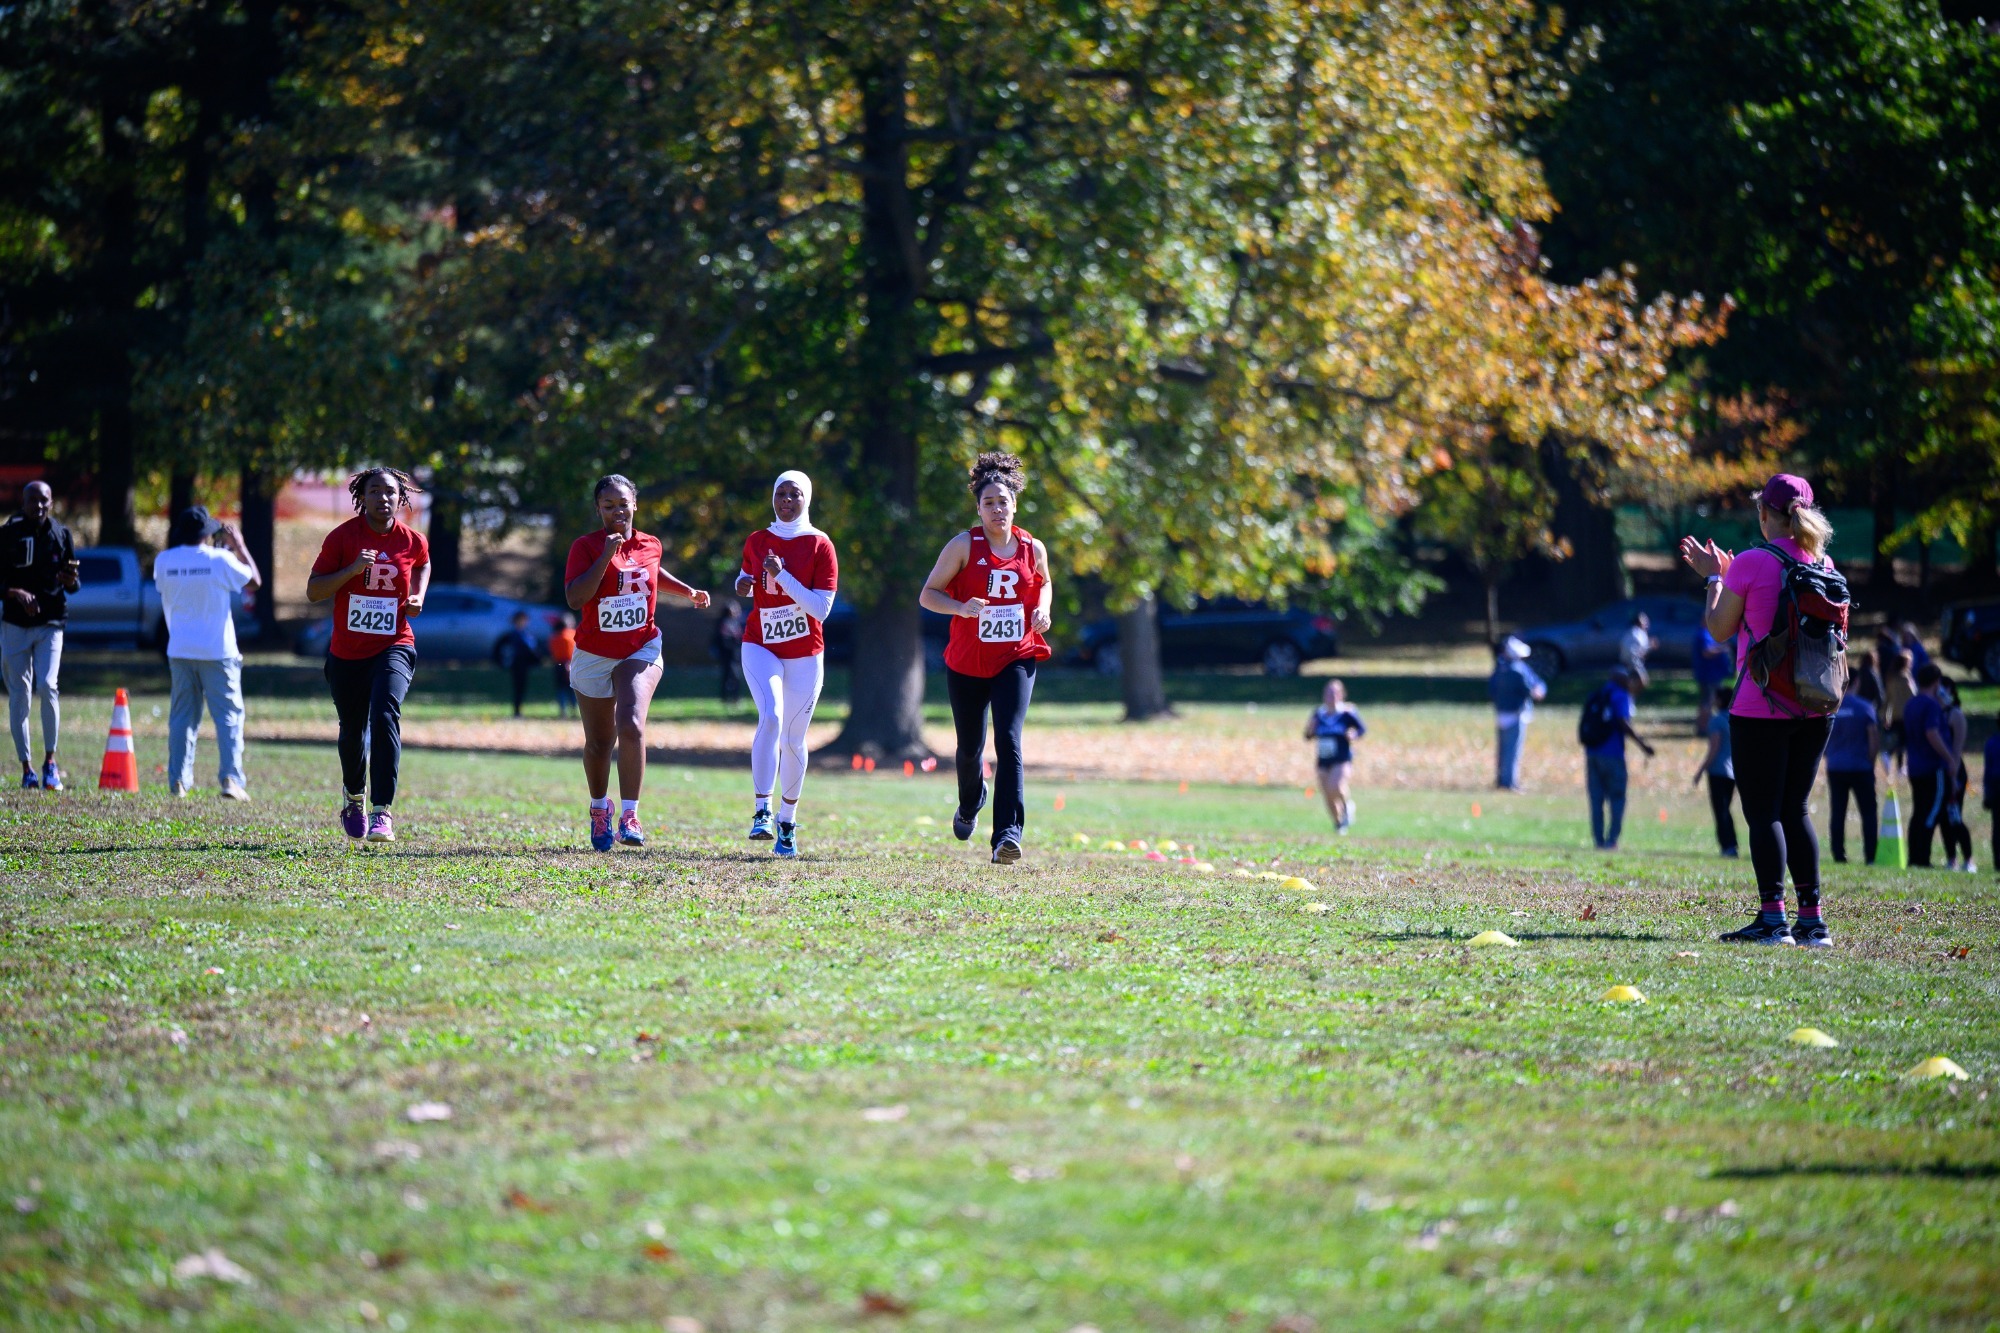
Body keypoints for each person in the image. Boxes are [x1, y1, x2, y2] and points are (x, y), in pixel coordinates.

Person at [1679, 473, 1839, 946]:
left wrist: (1715, 578)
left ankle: (1773, 919)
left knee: (1763, 811)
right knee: (1797, 807)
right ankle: (1812, 922)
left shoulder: (1752, 562)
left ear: (1766, 514)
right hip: (1816, 705)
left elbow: (1718, 629)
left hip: (1760, 705)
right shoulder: (1825, 563)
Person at [920, 451, 1052, 865]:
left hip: (1016, 654)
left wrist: (1043, 609)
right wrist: (960, 609)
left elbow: (1045, 582)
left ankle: (1007, 836)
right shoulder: (963, 545)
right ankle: (970, 799)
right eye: (989, 503)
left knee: (1009, 739)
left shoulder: (1032, 547)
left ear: (1015, 504)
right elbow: (928, 594)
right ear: (979, 509)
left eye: (1003, 501)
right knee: (969, 748)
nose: (997, 509)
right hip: (967, 660)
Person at [565, 474, 710, 851]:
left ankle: (630, 814)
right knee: (598, 743)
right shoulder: (585, 547)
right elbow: (576, 598)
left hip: (640, 647)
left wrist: (688, 591)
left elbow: (652, 571)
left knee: (630, 721)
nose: (616, 511)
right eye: (608, 505)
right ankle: (600, 808)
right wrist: (605, 557)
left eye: (623, 504)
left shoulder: (651, 543)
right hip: (594, 654)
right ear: (598, 509)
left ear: (635, 505)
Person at [307, 468, 431, 843]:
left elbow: (423, 562)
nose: (383, 498)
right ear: (362, 496)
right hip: (347, 652)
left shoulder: (412, 540)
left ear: (400, 498)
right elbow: (314, 591)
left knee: (385, 714)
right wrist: (352, 569)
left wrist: (418, 594)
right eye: (374, 491)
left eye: (390, 492)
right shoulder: (343, 538)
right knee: (352, 730)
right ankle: (354, 798)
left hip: (394, 643)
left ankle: (382, 812)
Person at [733, 470, 837, 858]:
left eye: (794, 495)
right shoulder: (758, 539)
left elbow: (821, 609)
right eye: (780, 494)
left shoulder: (820, 545)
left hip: (805, 652)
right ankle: (762, 810)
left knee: (793, 738)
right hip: (760, 644)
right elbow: (746, 577)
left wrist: (783, 576)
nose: (786, 501)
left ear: (806, 499)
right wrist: (742, 585)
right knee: (771, 717)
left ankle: (787, 823)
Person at [154, 505, 260, 799]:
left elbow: (168, 588)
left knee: (182, 718)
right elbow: (254, 581)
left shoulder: (164, 560)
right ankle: (230, 779)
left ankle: (178, 780)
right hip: (218, 651)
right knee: (228, 717)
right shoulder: (220, 559)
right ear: (206, 533)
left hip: (180, 649)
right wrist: (238, 547)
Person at [1, 480, 78, 791]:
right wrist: (14, 593)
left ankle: (50, 763)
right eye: (33, 500)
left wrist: (70, 579)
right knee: (20, 696)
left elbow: (73, 586)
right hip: (15, 625)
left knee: (47, 685)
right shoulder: (7, 534)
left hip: (50, 623)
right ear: (24, 503)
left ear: (52, 502)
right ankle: (27, 768)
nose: (40, 506)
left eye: (44, 500)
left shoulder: (61, 534)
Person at [1580, 665, 1653, 850]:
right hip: (1612, 754)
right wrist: (1643, 745)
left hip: (1592, 753)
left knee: (1596, 799)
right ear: (1622, 679)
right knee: (1617, 797)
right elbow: (1623, 723)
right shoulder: (1621, 696)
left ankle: (1598, 840)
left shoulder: (1598, 694)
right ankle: (1612, 840)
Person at [1823, 673, 1880, 865]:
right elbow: (1873, 738)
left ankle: (1839, 855)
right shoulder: (1865, 707)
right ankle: (1870, 856)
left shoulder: (1830, 707)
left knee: (1838, 812)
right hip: (1861, 767)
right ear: (1857, 682)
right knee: (1868, 812)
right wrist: (1870, 762)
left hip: (1836, 767)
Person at [1902, 663, 1953, 868]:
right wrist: (1949, 758)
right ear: (1936, 682)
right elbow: (1932, 733)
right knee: (1932, 811)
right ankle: (1923, 858)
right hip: (1932, 767)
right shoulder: (1931, 705)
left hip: (1915, 765)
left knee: (1919, 811)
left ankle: (1914, 857)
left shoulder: (1911, 704)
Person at [1305, 678, 1366, 833]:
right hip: (1323, 759)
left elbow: (1361, 730)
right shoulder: (1319, 714)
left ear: (1341, 695)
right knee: (1327, 794)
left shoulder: (1347, 712)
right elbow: (1308, 735)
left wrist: (1353, 734)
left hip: (1342, 757)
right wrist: (1310, 730)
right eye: (1328, 693)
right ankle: (1339, 823)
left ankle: (1347, 806)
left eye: (1334, 693)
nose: (1331, 696)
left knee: (1336, 786)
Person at [1489, 636, 1546, 792]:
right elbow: (1532, 690)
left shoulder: (1499, 669)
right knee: (1513, 751)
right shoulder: (1518, 670)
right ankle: (1509, 783)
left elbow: (1492, 690)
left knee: (1502, 750)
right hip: (1516, 714)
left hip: (1501, 713)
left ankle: (1502, 780)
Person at [1692, 684, 1738, 857]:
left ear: (1719, 700)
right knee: (1726, 809)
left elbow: (1714, 749)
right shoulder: (1734, 719)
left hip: (1718, 771)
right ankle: (1732, 844)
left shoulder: (1717, 720)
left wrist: (1700, 771)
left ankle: (1727, 846)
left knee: (1720, 811)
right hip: (1733, 771)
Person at [1940, 678, 1975, 872]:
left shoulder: (1955, 714)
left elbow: (1957, 749)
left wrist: (1953, 776)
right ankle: (1951, 858)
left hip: (1955, 772)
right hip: (1940, 771)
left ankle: (1968, 859)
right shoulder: (1937, 713)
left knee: (1955, 817)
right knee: (1944, 819)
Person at [495, 610, 541, 718]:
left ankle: (518, 710)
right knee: (518, 687)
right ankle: (516, 711)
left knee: (522, 687)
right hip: (516, 665)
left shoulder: (527, 634)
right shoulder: (513, 635)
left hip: (524, 665)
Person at [1691, 618, 1733, 736]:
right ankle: (1702, 729)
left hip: (1712, 674)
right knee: (1708, 701)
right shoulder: (1703, 634)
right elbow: (1706, 652)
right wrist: (1722, 648)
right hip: (1708, 675)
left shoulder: (1707, 633)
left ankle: (1702, 727)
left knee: (1707, 701)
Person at [1880, 649, 1913, 774]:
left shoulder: (1891, 679)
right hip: (1905, 714)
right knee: (1903, 741)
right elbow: (1912, 695)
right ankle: (1899, 766)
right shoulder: (1905, 678)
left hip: (1894, 714)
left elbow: (1887, 698)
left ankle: (1895, 761)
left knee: (1898, 739)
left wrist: (1885, 715)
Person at [713, 598, 746, 707]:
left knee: (736, 676)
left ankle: (735, 698)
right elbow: (718, 639)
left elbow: (740, 638)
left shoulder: (738, 623)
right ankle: (725, 698)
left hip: (736, 654)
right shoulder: (722, 623)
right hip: (726, 655)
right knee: (727, 676)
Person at [549, 613, 576, 718]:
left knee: (560, 689)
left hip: (558, 665)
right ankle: (573, 710)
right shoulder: (571, 635)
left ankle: (562, 710)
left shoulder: (554, 637)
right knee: (572, 689)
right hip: (569, 664)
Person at [1618, 611, 1653, 689]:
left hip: (1629, 661)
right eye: (1645, 620)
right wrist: (1650, 646)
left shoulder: (1633, 632)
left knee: (1638, 682)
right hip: (1633, 662)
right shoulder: (1638, 633)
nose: (1647, 623)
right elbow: (1639, 650)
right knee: (1643, 682)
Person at [1983, 712, 1999, 878]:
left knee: (1997, 827)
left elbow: (1987, 772)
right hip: (1996, 787)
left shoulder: (1991, 743)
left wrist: (1987, 792)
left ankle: (1997, 862)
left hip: (1995, 788)